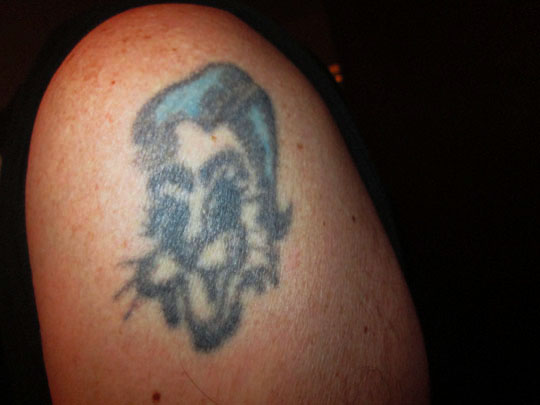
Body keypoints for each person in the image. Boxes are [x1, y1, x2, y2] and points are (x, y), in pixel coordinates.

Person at [21, 2, 428, 403]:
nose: (199, 232)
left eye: (227, 196)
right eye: (172, 202)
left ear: (270, 209)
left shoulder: (134, 73)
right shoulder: (118, 85)